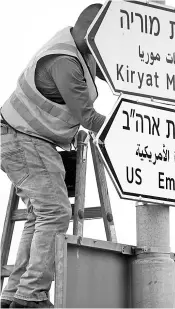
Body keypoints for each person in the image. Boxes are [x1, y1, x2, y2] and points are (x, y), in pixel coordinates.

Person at [0, 3, 105, 308]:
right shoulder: (66, 62)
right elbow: (88, 116)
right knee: (57, 213)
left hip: (23, 138)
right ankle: (30, 297)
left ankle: (14, 294)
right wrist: (125, 131)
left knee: (41, 215)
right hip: (24, 139)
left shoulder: (79, 49)